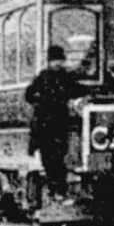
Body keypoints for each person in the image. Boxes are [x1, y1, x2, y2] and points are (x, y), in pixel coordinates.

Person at [25, 45, 89, 200]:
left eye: (60, 60)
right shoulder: (43, 77)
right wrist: (39, 101)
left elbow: (79, 90)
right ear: (49, 62)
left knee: (59, 158)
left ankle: (59, 190)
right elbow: (29, 95)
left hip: (59, 123)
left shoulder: (66, 77)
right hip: (45, 123)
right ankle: (55, 190)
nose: (58, 64)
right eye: (55, 61)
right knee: (49, 158)